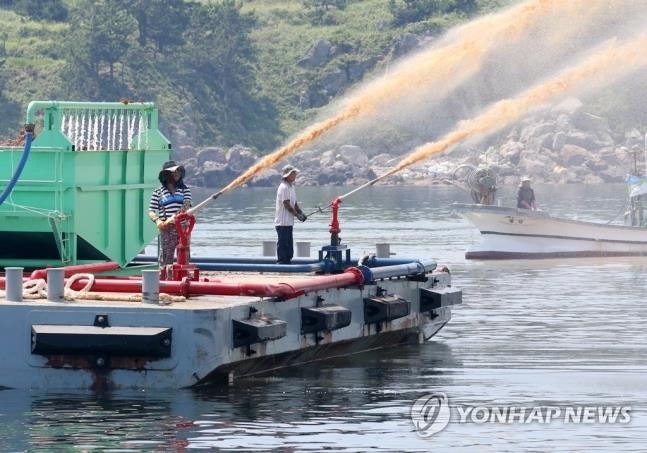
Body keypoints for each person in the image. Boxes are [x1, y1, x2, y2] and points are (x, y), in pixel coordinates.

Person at [148, 160, 192, 268]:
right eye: (173, 172)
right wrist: (158, 221)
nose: (176, 173)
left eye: (177, 171)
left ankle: (183, 277)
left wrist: (176, 217)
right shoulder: (158, 192)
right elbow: (151, 211)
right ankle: (165, 279)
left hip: (183, 227)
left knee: (184, 254)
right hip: (167, 228)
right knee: (166, 256)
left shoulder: (185, 189)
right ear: (166, 175)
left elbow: (186, 205)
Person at [275, 165, 307, 264]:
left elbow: (294, 203)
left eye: (295, 173)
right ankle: (281, 263)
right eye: (293, 173)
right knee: (283, 244)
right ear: (287, 175)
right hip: (282, 222)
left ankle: (287, 262)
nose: (295, 175)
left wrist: (301, 213)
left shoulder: (291, 187)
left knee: (289, 246)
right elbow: (287, 204)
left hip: (289, 222)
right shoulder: (283, 187)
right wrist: (297, 215)